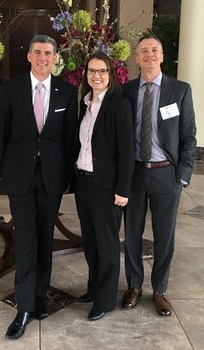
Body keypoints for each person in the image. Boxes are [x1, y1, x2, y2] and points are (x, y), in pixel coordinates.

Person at [0, 34, 78, 339]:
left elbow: (70, 140)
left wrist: (67, 177)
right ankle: (25, 306)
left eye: (49, 53)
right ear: (29, 56)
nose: (43, 57)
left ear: (55, 58)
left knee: (45, 238)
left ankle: (40, 295)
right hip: (20, 176)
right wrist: (5, 172)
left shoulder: (67, 93)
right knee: (27, 238)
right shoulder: (12, 89)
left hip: (52, 177)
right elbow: (0, 132)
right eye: (38, 52)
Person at [122, 33, 196, 316]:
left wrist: (183, 176)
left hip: (167, 174)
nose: (149, 54)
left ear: (162, 56)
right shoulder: (126, 91)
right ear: (137, 58)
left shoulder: (180, 90)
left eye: (154, 50)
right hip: (135, 174)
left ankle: (160, 290)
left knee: (164, 236)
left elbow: (189, 136)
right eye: (143, 51)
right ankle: (134, 285)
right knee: (132, 234)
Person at [73, 52, 134, 321]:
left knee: (107, 244)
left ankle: (106, 299)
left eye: (102, 71)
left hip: (107, 187)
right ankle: (94, 288)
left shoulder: (118, 106)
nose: (96, 76)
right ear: (86, 74)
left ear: (111, 75)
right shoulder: (84, 104)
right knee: (90, 241)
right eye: (91, 71)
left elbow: (126, 153)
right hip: (84, 183)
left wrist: (123, 190)